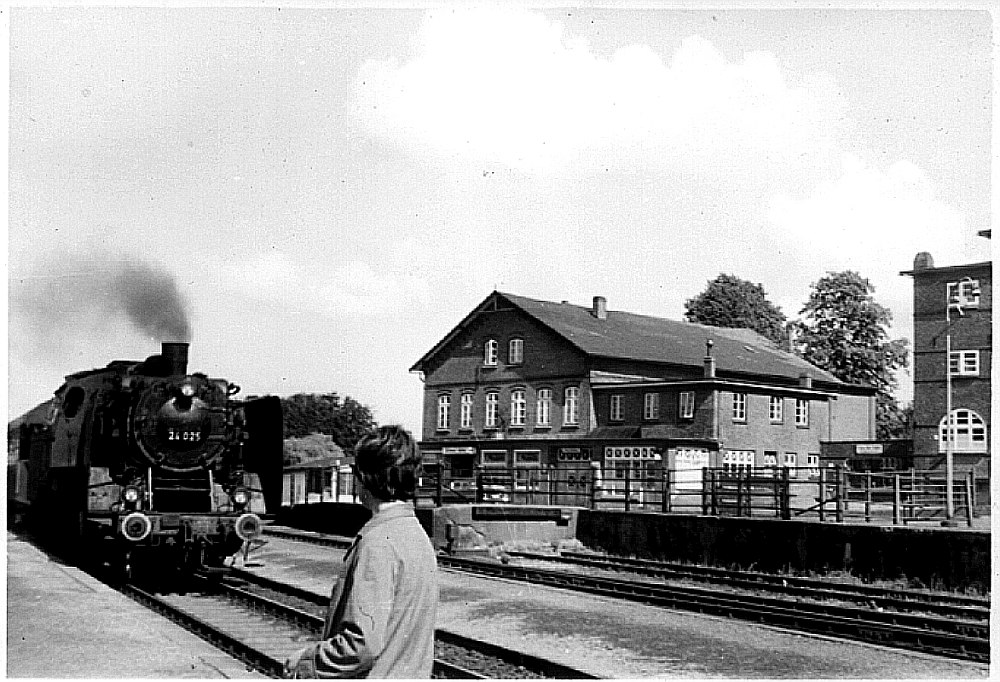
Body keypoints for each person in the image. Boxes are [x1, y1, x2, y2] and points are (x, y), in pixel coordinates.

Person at [283, 426, 438, 678]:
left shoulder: (378, 542)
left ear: (365, 478)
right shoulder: (416, 534)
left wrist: (308, 662)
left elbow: (362, 646)